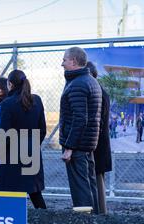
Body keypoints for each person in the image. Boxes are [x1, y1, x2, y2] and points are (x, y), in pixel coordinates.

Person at [0, 70, 47, 209]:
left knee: (4, 192)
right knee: (34, 193)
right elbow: (42, 129)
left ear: (10, 84)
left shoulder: (8, 104)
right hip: (31, 153)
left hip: (12, 156)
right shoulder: (37, 100)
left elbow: (5, 134)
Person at [59, 47, 101, 214]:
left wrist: (69, 148)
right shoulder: (88, 80)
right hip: (85, 145)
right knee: (89, 185)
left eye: (64, 60)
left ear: (73, 61)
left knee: (81, 189)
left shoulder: (78, 84)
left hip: (77, 146)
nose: (61, 63)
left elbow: (80, 119)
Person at [87, 62, 112, 214]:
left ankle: (99, 213)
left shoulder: (97, 93)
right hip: (99, 144)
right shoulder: (101, 91)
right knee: (97, 180)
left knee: (96, 180)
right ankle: (99, 211)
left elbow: (97, 122)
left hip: (96, 144)